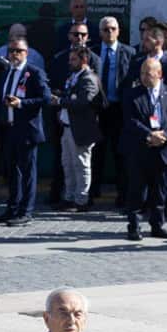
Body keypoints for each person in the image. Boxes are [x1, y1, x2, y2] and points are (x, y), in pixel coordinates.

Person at [121, 55, 167, 240]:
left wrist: (165, 136)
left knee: (161, 189)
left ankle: (158, 224)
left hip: (164, 149)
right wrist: (149, 135)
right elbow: (130, 120)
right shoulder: (132, 94)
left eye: (148, 73)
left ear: (159, 74)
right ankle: (134, 226)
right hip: (141, 148)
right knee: (137, 190)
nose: (144, 77)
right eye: (142, 73)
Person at [0, 36, 48, 224]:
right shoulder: (6, 72)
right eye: (12, 51)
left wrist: (22, 103)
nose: (14, 54)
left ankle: (26, 211)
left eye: (19, 51)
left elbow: (45, 99)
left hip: (27, 130)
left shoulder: (34, 72)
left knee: (27, 172)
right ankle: (12, 207)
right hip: (8, 129)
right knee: (12, 172)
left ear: (27, 53)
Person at [55, 46, 102, 210]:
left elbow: (84, 102)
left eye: (73, 59)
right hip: (68, 127)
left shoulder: (88, 78)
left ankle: (82, 199)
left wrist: (61, 102)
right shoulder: (74, 76)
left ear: (84, 60)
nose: (70, 62)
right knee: (67, 163)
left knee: (81, 164)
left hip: (81, 129)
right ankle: (69, 196)